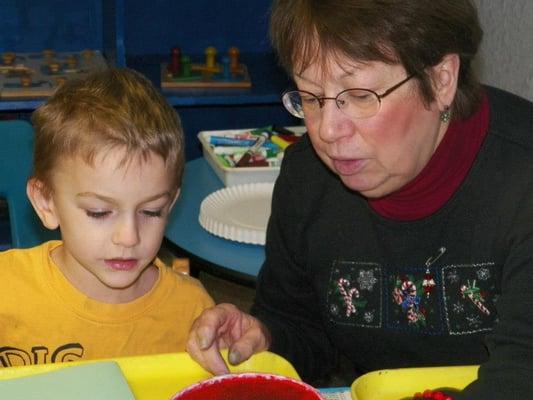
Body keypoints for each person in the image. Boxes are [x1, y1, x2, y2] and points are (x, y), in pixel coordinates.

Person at [186, 1, 533, 398]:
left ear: (441, 80)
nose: (328, 131)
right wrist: (265, 337)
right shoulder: (308, 179)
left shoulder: (522, 184)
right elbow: (302, 329)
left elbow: (521, 379)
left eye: (360, 95)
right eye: (312, 98)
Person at [0, 68, 214, 367]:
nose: (129, 237)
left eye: (151, 211)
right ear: (46, 202)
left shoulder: (192, 312)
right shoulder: (6, 287)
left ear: (171, 203)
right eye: (99, 213)